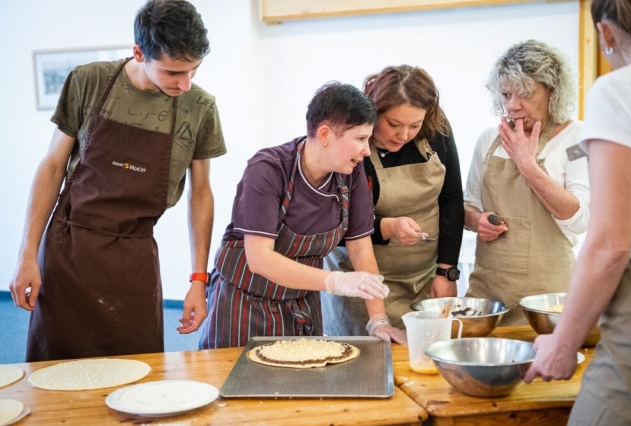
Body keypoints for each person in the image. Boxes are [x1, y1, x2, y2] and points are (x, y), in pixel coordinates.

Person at [8, 0, 226, 362]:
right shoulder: (89, 81)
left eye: (193, 70)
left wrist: (198, 280)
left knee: (137, 374)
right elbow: (52, 167)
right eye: (174, 72)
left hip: (134, 259)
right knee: (55, 371)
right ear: (139, 52)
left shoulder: (200, 107)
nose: (185, 84)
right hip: (69, 250)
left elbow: (201, 195)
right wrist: (26, 254)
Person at [198, 82, 390, 349]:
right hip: (245, 304)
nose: (366, 150)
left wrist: (378, 319)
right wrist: (336, 280)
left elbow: (360, 248)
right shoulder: (268, 169)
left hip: (302, 305)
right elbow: (260, 259)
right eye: (360, 139)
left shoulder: (352, 172)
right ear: (325, 134)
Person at [524, 1, 631, 423]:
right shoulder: (489, 138)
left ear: (606, 34)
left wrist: (563, 343)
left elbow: (609, 241)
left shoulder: (619, 90)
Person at [321, 65, 464, 343]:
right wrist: (388, 226)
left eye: (415, 125)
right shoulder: (351, 144)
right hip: (360, 284)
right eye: (394, 125)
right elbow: (334, 225)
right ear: (374, 113)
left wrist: (446, 270)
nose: (404, 135)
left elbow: (451, 200)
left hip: (423, 279)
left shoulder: (438, 130)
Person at [464, 40, 590, 325]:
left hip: (549, 301)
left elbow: (579, 219)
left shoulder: (578, 139)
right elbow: (467, 206)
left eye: (525, 94)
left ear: (552, 91)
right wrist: (476, 221)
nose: (513, 105)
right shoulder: (488, 139)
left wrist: (528, 166)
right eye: (506, 94)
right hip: (487, 297)